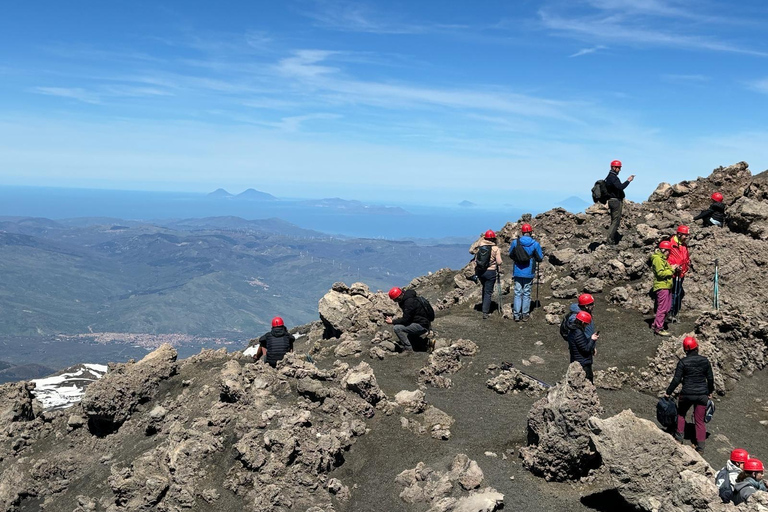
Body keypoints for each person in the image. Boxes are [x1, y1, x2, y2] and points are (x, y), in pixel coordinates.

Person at [665, 336, 714, 452]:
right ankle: (700, 447)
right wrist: (710, 391)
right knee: (699, 420)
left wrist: (668, 392)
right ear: (697, 347)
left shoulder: (683, 362)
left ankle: (679, 439)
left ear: (685, 349)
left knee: (681, 414)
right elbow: (710, 379)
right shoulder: (705, 361)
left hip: (686, 394)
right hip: (702, 395)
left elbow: (676, 380)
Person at [508, 223, 543, 322]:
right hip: (529, 271)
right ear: (530, 232)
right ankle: (525, 314)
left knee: (517, 292)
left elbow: (510, 254)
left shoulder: (515, 243)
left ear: (522, 232)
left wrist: (518, 259)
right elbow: (540, 258)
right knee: (527, 293)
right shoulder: (535, 244)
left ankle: (516, 314)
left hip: (518, 271)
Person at [469, 230, 504, 319]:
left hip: (480, 272)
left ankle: (483, 307)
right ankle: (485, 312)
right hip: (491, 272)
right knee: (488, 292)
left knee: (484, 289)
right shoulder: (495, 249)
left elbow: (474, 256)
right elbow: (499, 262)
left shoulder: (480, 246)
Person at [385, 287, 430, 352]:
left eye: (395, 300)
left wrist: (393, 321)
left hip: (421, 325)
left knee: (397, 328)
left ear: (399, 297)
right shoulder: (409, 298)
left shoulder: (408, 303)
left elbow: (406, 320)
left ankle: (408, 349)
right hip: (424, 323)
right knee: (410, 337)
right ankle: (425, 343)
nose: (395, 301)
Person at [604, 159, 635, 245]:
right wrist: (628, 181)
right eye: (618, 168)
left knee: (614, 220)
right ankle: (609, 241)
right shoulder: (613, 177)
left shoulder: (608, 177)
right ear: (613, 167)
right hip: (615, 201)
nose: (619, 170)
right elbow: (620, 187)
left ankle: (612, 238)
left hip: (611, 201)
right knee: (615, 221)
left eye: (619, 168)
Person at [651, 240, 677, 336]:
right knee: (662, 308)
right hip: (662, 286)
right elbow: (660, 273)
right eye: (668, 251)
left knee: (667, 307)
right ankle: (659, 328)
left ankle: (656, 324)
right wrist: (672, 270)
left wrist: (671, 268)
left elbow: (665, 270)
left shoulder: (662, 259)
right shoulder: (657, 259)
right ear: (664, 250)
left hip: (666, 285)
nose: (668, 253)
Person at [668, 225, 692, 320]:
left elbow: (685, 258)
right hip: (672, 273)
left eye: (687, 235)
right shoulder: (670, 244)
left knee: (677, 293)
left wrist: (686, 267)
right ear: (679, 234)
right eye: (685, 235)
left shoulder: (684, 245)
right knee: (673, 293)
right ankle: (670, 312)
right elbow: (665, 258)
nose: (686, 237)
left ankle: (673, 312)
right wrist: (672, 267)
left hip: (681, 273)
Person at [567, 311, 598, 382]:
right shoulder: (578, 333)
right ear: (583, 323)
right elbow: (586, 349)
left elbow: (581, 343)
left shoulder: (572, 330)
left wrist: (590, 338)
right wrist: (592, 340)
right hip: (583, 364)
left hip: (576, 362)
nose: (586, 326)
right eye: (586, 324)